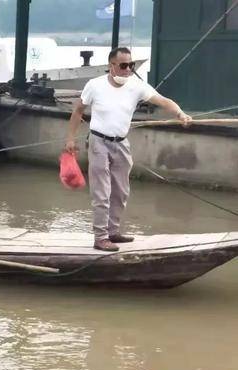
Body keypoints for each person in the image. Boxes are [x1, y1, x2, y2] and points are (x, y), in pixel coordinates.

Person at [64, 47, 192, 251]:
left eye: (131, 65)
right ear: (111, 66)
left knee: (121, 191)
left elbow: (162, 100)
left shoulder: (136, 86)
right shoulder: (94, 85)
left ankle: (113, 232)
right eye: (123, 65)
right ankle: (100, 237)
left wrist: (180, 114)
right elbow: (78, 110)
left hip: (121, 143)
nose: (128, 69)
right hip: (98, 142)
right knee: (102, 192)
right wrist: (70, 138)